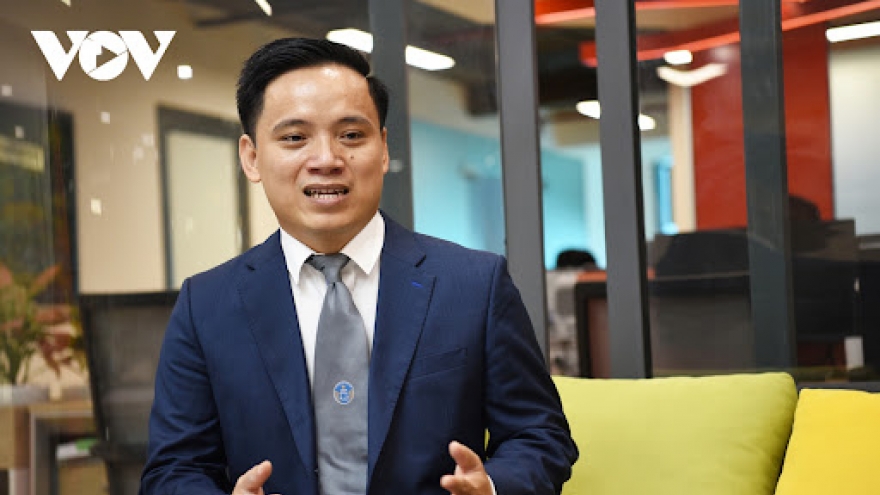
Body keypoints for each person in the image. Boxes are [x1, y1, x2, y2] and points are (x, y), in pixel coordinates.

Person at [140, 37, 577, 495]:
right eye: (295, 138)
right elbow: (173, 469)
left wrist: (493, 487)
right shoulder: (206, 305)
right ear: (252, 158)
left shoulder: (473, 285)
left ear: (383, 149)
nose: (327, 160)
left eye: (351, 135)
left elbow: (540, 436)